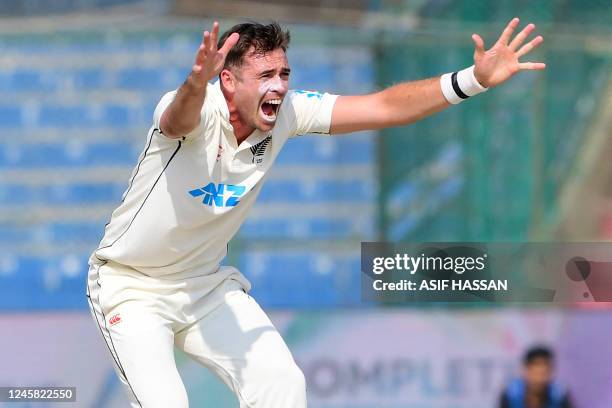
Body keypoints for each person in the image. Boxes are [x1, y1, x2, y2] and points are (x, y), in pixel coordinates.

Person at [86, 19, 545, 408]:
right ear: (228, 80)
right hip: (132, 287)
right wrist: (193, 82)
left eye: (284, 72)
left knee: (283, 384)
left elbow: (383, 107)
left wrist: (473, 80)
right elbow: (176, 119)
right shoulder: (194, 107)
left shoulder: (287, 112)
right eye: (266, 73)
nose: (280, 85)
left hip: (204, 285)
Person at [499, 346, 574, 408]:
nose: (539, 380)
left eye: (544, 373)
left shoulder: (559, 395)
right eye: (535, 374)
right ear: (525, 371)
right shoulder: (510, 394)